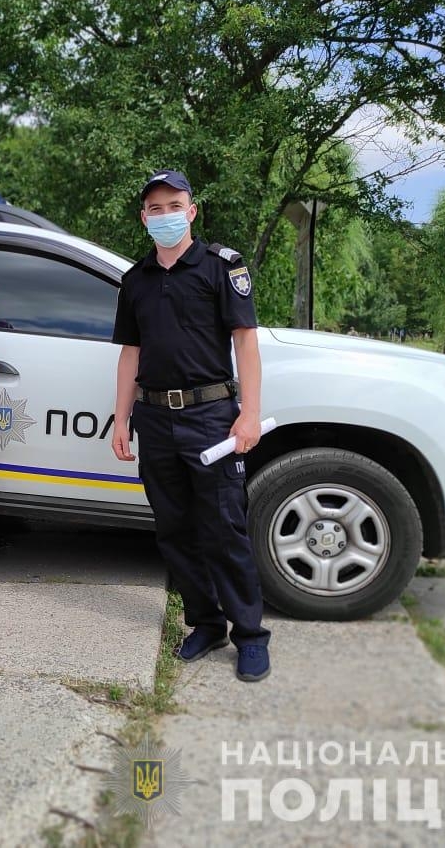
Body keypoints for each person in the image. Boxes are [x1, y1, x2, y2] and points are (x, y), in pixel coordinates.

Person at [110, 169, 271, 681]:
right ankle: (206, 623)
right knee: (175, 532)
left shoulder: (221, 267)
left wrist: (248, 414)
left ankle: (249, 635)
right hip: (155, 419)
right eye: (154, 209)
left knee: (224, 529)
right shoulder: (135, 280)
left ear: (192, 210)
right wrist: (122, 418)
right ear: (143, 217)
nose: (164, 216)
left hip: (211, 417)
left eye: (173, 205)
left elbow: (246, 342)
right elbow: (129, 353)